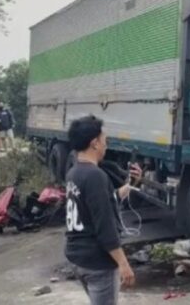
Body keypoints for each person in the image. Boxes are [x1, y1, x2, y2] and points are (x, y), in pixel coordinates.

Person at [65, 115, 135, 305]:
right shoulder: (96, 175)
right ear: (94, 143)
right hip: (98, 262)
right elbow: (105, 227)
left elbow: (100, 201)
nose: (106, 145)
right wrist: (123, 263)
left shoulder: (74, 172)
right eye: (104, 140)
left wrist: (129, 186)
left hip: (78, 257)